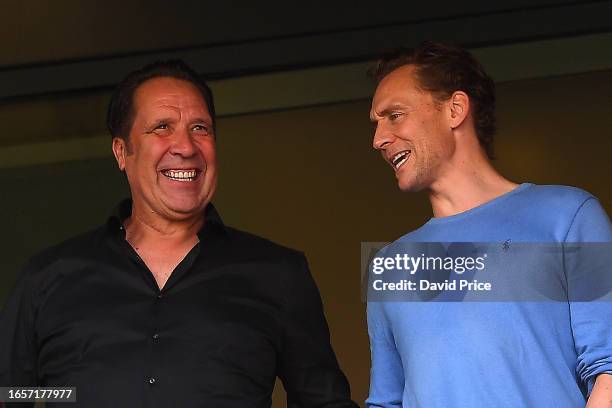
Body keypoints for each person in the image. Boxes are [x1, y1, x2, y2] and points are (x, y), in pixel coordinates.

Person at [0, 60, 358, 407]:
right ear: (122, 151)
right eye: (162, 127)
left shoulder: (278, 274)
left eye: (200, 128)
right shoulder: (46, 278)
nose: (186, 147)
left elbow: (323, 402)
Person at [366, 41, 612, 407]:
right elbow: (386, 402)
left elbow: (607, 370)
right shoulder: (390, 265)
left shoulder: (568, 215)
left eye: (395, 115)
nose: (379, 139)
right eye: (376, 123)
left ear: (455, 109)